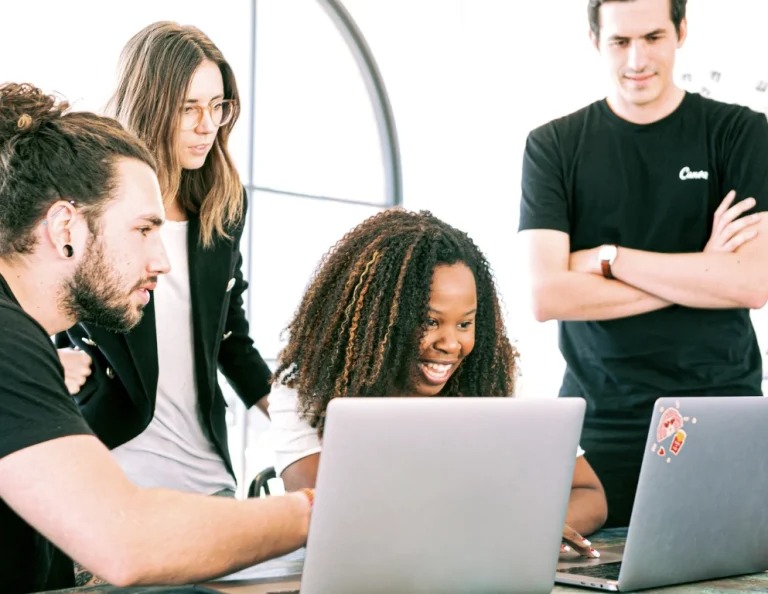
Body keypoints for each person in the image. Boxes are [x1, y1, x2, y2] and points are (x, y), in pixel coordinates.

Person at [0, 82, 310, 593]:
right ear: (64, 228)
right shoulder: (7, 344)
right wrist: (315, 510)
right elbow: (126, 542)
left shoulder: (22, 339)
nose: (162, 261)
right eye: (144, 230)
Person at [518, 0, 768, 528]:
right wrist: (703, 270)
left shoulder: (740, 132)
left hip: (719, 411)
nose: (637, 59)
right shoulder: (553, 146)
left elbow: (750, 282)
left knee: (732, 566)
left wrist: (608, 259)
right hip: (597, 423)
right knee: (565, 561)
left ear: (681, 31)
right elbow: (548, 296)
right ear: (595, 41)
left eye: (653, 37)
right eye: (620, 41)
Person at [267, 209, 608, 555]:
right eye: (430, 321)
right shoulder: (306, 387)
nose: (450, 344)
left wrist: (529, 528)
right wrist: (494, 526)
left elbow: (589, 495)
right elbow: (330, 517)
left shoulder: (494, 377)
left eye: (464, 324)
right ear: (378, 318)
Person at [55, 21, 271, 497]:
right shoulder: (90, 195)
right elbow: (38, 293)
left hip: (206, 472)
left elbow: (230, 336)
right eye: (188, 108)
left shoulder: (224, 204)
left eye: (217, 106)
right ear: (150, 106)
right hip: (109, 463)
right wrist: (48, 360)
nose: (207, 125)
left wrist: (301, 421)